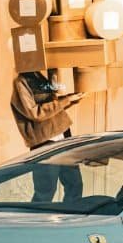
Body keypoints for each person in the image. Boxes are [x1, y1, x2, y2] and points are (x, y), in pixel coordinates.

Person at [11, 71, 85, 202]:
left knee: (75, 185)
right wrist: (66, 100)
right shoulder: (21, 82)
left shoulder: (38, 76)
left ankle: (71, 219)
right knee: (45, 191)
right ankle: (37, 221)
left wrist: (71, 99)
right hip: (45, 142)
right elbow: (35, 113)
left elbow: (52, 107)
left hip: (64, 136)